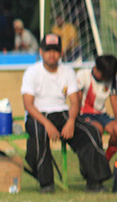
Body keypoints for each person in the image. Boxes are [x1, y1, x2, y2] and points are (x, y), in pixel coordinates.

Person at [22, 34, 112, 193]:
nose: (52, 54)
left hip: (62, 113)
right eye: (48, 50)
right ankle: (46, 183)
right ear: (41, 52)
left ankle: (94, 181)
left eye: (55, 51)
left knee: (90, 132)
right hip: (38, 115)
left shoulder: (68, 72)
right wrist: (47, 124)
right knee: (39, 135)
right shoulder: (32, 72)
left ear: (60, 53)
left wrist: (71, 121)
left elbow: (75, 101)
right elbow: (28, 104)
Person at [75, 54, 117, 162]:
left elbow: (114, 100)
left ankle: (104, 161)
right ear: (97, 70)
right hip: (84, 114)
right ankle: (90, 165)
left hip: (101, 114)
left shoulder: (111, 80)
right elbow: (76, 99)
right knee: (97, 129)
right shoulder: (82, 75)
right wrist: (75, 119)